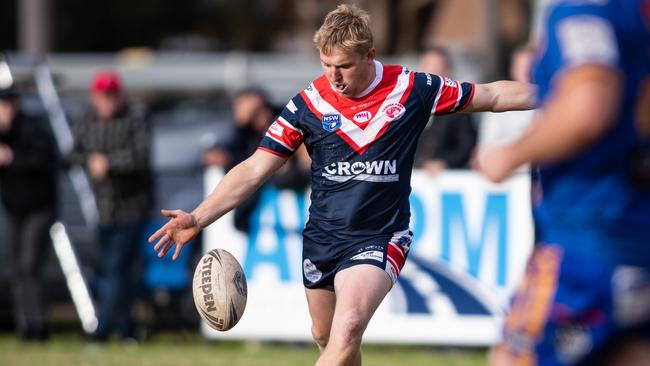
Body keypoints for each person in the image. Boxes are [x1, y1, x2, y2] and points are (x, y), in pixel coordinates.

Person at [149, 4, 535, 365]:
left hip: (380, 236)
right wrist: (198, 217)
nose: (334, 76)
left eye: (344, 66)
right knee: (327, 337)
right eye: (326, 64)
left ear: (370, 55)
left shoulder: (412, 88)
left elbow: (493, 94)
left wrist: (561, 94)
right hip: (323, 238)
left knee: (347, 327)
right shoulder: (308, 105)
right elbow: (253, 169)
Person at [476, 1, 650, 365]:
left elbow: (588, 107)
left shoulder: (584, 12)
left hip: (587, 240)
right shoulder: (637, 15)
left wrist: (509, 154)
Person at [68, 70, 151, 341]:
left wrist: (110, 164)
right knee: (115, 268)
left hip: (132, 206)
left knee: (117, 265)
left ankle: (102, 329)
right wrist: (90, 160)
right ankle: (126, 327)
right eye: (102, 97)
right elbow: (73, 153)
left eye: (111, 97)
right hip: (103, 208)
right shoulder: (87, 120)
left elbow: (141, 156)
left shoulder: (134, 118)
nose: (107, 103)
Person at [202, 88, 310, 233]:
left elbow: (294, 173)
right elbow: (233, 158)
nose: (261, 115)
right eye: (254, 114)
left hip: (295, 223)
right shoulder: (245, 137)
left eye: (262, 108)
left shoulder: (290, 125)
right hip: (259, 228)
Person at [0, 85, 58, 341]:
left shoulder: (31, 130)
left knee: (30, 265)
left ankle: (37, 325)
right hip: (14, 209)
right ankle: (24, 326)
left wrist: (13, 158)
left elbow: (45, 161)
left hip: (38, 208)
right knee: (17, 268)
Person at [414, 45, 477, 174]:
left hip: (446, 180)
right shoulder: (409, 105)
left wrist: (444, 163)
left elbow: (466, 146)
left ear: (447, 71)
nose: (430, 75)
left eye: (437, 68)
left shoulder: (459, 107)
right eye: (428, 68)